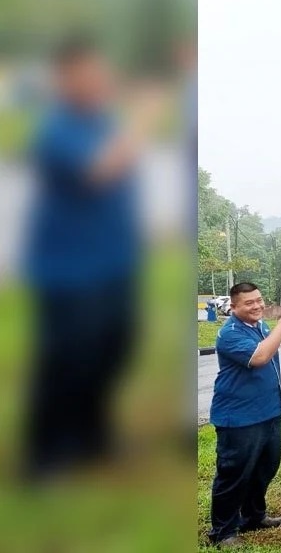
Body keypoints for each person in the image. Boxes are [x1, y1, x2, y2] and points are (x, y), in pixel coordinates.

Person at [21, 34, 163, 481]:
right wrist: (142, 119)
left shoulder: (104, 121)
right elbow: (100, 172)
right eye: (85, 72)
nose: (97, 79)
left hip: (115, 264)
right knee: (65, 358)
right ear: (64, 78)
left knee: (113, 349)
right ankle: (46, 456)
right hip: (68, 271)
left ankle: (92, 437)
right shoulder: (56, 129)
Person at [208, 283, 281, 547]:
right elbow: (259, 358)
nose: (257, 306)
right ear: (233, 307)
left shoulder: (259, 326)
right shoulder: (229, 334)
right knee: (233, 474)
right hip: (238, 418)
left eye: (259, 300)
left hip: (269, 412)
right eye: (249, 303)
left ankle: (253, 516)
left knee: (264, 469)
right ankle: (223, 531)